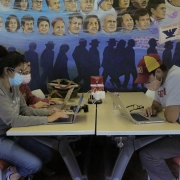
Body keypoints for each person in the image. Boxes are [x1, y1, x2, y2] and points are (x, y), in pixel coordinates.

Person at [0, 49, 68, 180]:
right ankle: (10, 176)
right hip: (2, 137)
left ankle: (15, 169)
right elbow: (13, 120)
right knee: (34, 165)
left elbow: (25, 110)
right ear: (8, 70)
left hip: (12, 133)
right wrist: (47, 119)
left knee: (46, 155)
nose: (22, 75)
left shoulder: (13, 86)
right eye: (20, 71)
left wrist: (48, 112)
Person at [134, 53, 180, 180]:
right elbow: (157, 104)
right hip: (176, 132)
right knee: (143, 144)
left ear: (158, 71)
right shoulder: (162, 80)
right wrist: (152, 109)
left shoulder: (176, 78)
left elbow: (171, 117)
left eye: (148, 81)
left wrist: (167, 108)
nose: (146, 85)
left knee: (148, 154)